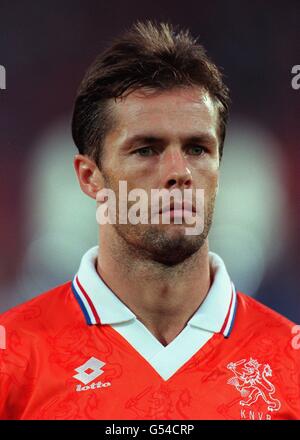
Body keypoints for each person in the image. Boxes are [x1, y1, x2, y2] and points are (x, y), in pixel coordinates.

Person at [0, 20, 299, 420]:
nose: (179, 172)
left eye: (197, 148)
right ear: (90, 177)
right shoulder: (11, 357)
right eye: (146, 150)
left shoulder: (290, 362)